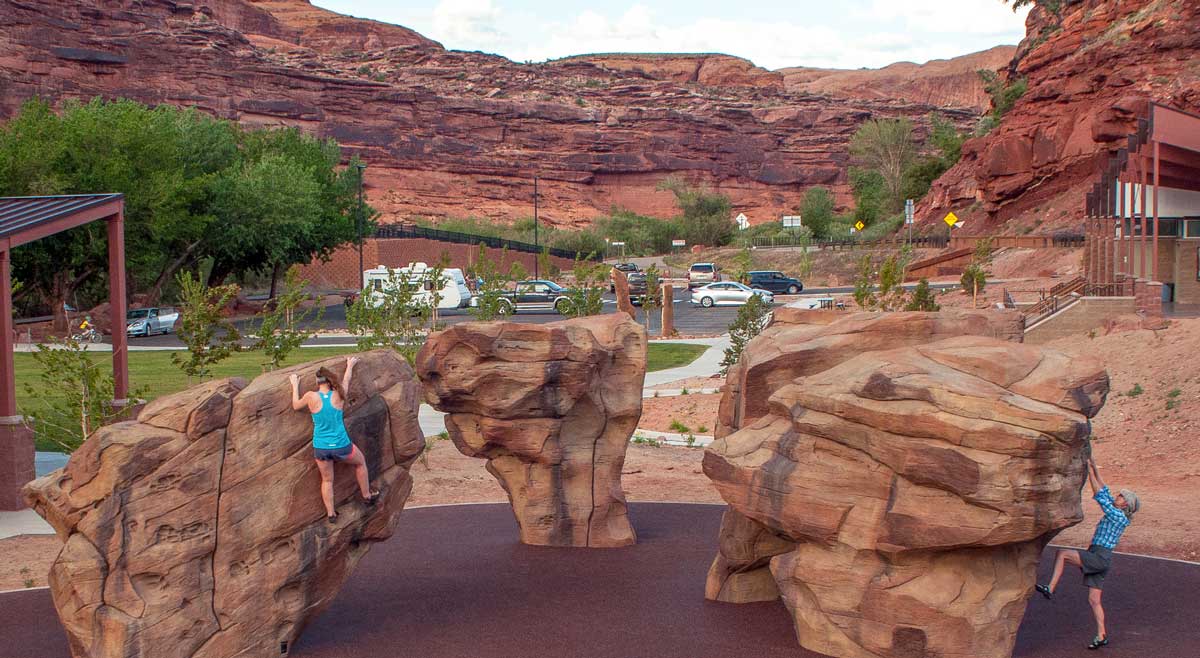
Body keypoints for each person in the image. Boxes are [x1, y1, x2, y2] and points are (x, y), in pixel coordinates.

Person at [1035, 456, 1140, 650]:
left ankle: (1050, 587)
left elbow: (1099, 495)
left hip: (1099, 557)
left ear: (1126, 504)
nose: (1117, 497)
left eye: (1121, 496)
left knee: (1062, 554)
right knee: (1094, 600)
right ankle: (1101, 635)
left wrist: (1089, 472)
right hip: (1102, 558)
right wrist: (1093, 468)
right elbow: (1104, 489)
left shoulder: (1117, 516)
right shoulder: (1118, 512)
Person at [289, 356, 379, 523]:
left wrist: (295, 384)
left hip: (321, 447)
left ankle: (331, 514)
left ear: (317, 382)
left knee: (327, 480)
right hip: (341, 445)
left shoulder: (310, 396)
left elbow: (295, 405)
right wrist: (350, 365)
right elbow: (347, 380)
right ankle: (367, 496)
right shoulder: (339, 395)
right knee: (360, 463)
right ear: (330, 382)